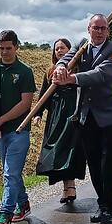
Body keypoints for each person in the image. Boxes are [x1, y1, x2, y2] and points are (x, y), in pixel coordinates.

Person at [54, 14, 112, 224]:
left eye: (103, 28)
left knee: (108, 163)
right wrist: (60, 66)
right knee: (93, 162)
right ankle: (102, 203)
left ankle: (109, 208)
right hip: (87, 115)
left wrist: (72, 79)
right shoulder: (83, 46)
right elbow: (68, 58)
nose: (100, 32)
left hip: (110, 115)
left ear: (108, 31)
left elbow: (101, 74)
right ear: (89, 29)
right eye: (96, 28)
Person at [0, 30, 37, 224]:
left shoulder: (24, 71)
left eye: (9, 48)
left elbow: (26, 104)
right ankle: (22, 203)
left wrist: (2, 121)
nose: (5, 52)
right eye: (1, 48)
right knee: (11, 173)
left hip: (19, 130)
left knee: (10, 173)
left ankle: (4, 215)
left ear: (16, 47)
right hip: (0, 133)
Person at [33, 38, 86, 204]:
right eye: (56, 49)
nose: (59, 51)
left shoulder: (78, 70)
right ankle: (66, 187)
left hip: (73, 114)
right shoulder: (50, 72)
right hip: (56, 117)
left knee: (70, 151)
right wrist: (38, 114)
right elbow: (44, 95)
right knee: (57, 153)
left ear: (70, 50)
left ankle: (70, 186)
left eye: (62, 48)